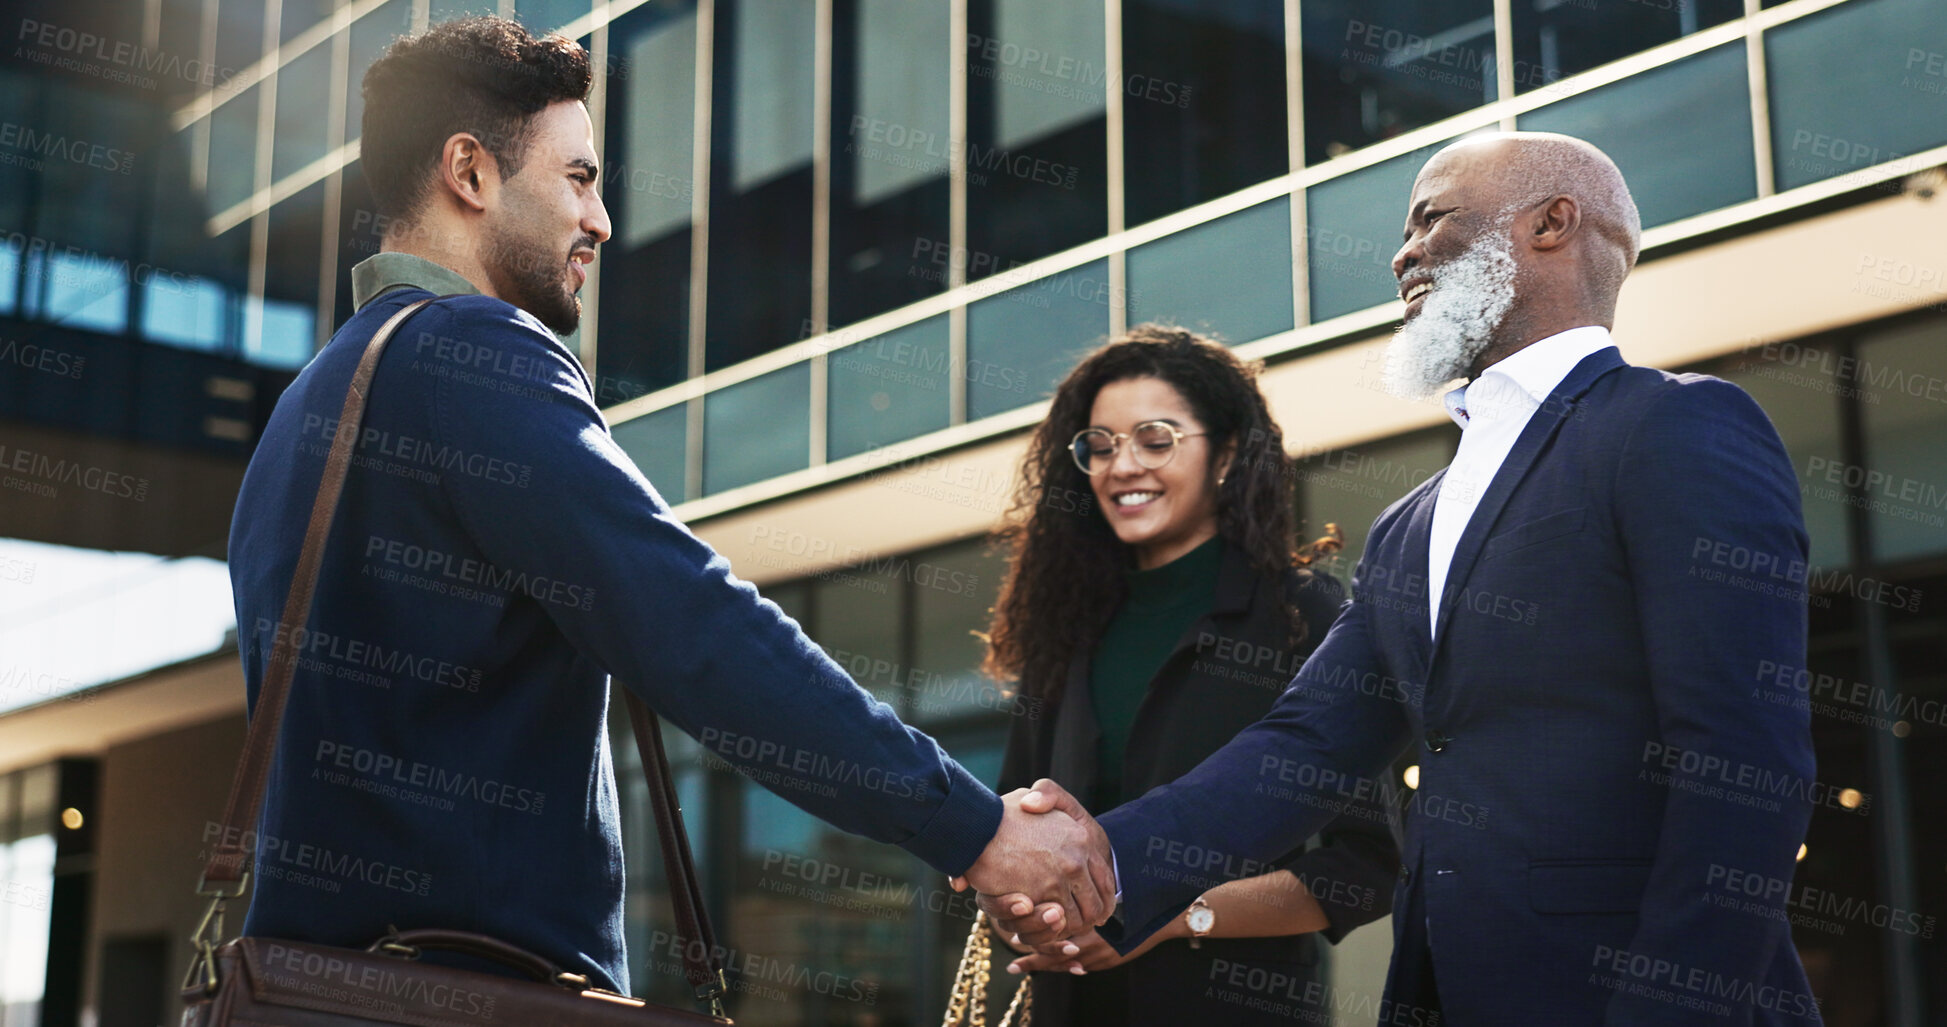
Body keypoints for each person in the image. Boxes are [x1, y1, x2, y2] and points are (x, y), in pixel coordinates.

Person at [225, 17, 1108, 997]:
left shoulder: (311, 407)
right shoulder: (473, 356)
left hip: (320, 992)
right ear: (469, 174)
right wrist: (973, 826)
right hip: (474, 996)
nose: (601, 220)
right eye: (579, 178)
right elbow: (692, 623)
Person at [985, 133, 1823, 1025]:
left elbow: (1743, 766)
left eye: (1433, 218)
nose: (1402, 252)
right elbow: (1303, 748)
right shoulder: (1407, 525)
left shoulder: (1676, 427)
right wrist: (1100, 852)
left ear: (1551, 222)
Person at [980, 326, 1399, 1025]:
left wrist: (1177, 917)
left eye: (1154, 438)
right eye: (1101, 446)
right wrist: (1012, 900)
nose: (1121, 467)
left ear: (1227, 453)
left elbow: (1367, 866)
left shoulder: (1302, 613)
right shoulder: (1067, 627)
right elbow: (1012, 821)